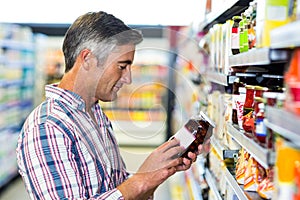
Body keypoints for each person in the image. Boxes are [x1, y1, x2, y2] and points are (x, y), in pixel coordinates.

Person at [16, 11, 202, 200]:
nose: (128, 79)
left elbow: (113, 188)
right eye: (122, 66)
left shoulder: (95, 115)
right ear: (87, 59)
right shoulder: (49, 127)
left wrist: (156, 172)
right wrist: (141, 181)